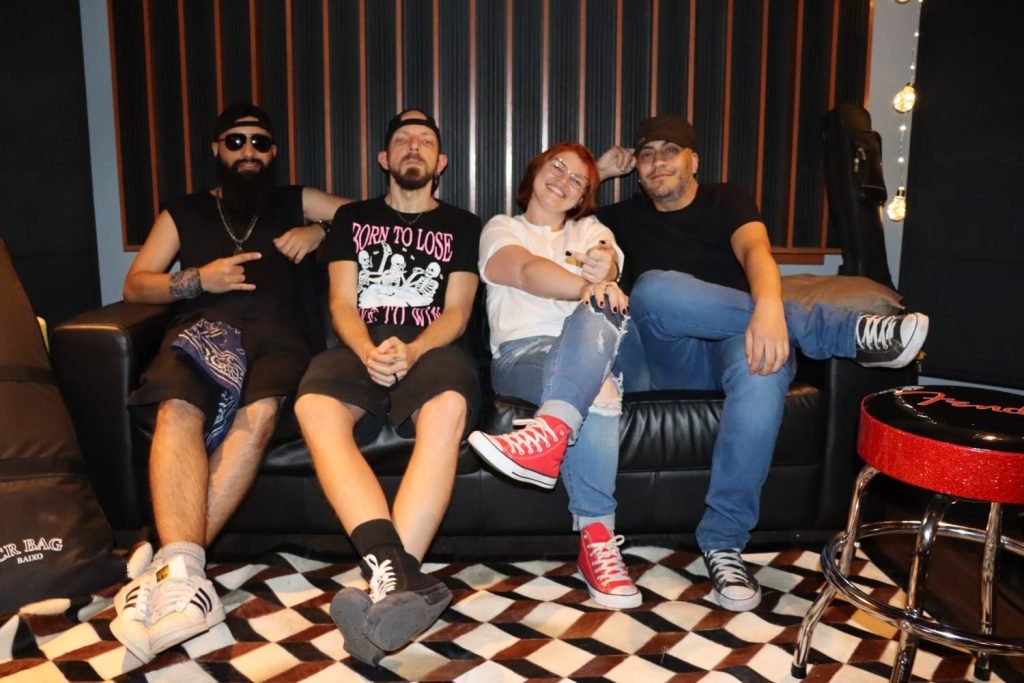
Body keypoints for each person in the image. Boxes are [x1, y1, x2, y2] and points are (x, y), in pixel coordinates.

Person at [595, 114, 929, 612]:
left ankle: (723, 543)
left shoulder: (727, 199)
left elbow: (755, 252)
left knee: (764, 368)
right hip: (671, 355)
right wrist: (600, 172)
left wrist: (770, 309)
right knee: (654, 288)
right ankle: (842, 332)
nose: (657, 162)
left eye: (670, 150)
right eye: (646, 154)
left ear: (693, 161)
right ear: (635, 168)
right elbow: (552, 210)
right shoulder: (621, 218)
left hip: (740, 338)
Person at [110, 103, 349, 661]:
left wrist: (319, 231)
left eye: (260, 142)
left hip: (279, 338)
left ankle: (166, 568)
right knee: (176, 408)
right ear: (216, 150)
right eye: (236, 141)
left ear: (273, 152)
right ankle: (182, 578)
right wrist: (198, 279)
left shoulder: (295, 199)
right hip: (200, 329)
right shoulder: (184, 211)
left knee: (259, 413)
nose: (248, 152)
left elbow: (369, 217)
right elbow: (136, 285)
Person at [293, 109, 481, 665]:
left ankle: (386, 586)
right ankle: (398, 578)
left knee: (447, 407)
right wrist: (365, 350)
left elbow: (458, 311)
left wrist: (415, 349)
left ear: (441, 162)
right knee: (314, 407)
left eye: (425, 140)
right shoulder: (352, 219)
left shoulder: (463, 224)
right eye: (402, 139)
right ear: (384, 158)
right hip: (359, 345)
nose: (413, 146)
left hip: (433, 347)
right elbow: (341, 303)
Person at [467, 143, 641, 611]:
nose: (563, 181)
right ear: (535, 169)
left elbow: (607, 257)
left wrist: (606, 268)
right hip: (522, 355)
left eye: (577, 180)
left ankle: (551, 437)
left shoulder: (590, 230)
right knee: (599, 349)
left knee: (601, 372)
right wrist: (588, 286)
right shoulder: (501, 228)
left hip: (592, 352)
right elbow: (524, 271)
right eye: (556, 167)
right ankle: (598, 541)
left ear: (584, 196)